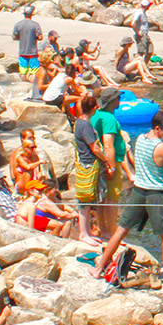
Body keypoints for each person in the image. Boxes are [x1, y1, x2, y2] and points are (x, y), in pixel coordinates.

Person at [92, 110, 163, 294]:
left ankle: (98, 269)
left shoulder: (140, 139)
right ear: (157, 128)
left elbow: (142, 161)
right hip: (158, 194)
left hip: (139, 190)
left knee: (121, 229)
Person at [89, 87, 127, 239]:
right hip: (109, 163)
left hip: (97, 163)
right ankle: (110, 232)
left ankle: (101, 227)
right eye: (118, 98)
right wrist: (111, 167)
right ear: (112, 101)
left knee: (102, 198)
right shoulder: (110, 119)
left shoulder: (96, 115)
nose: (120, 100)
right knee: (112, 198)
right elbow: (108, 144)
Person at [70, 96, 103, 243]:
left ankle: (87, 232)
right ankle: (83, 234)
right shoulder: (86, 126)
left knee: (87, 200)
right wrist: (106, 158)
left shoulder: (78, 123)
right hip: (88, 165)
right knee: (85, 199)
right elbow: (94, 147)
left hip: (84, 163)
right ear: (94, 108)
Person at [12, 4, 42, 79]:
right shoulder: (35, 25)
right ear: (31, 14)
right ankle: (32, 86)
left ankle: (23, 84)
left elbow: (14, 37)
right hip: (32, 51)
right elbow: (40, 37)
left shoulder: (18, 24)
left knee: (23, 71)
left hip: (22, 51)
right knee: (34, 71)